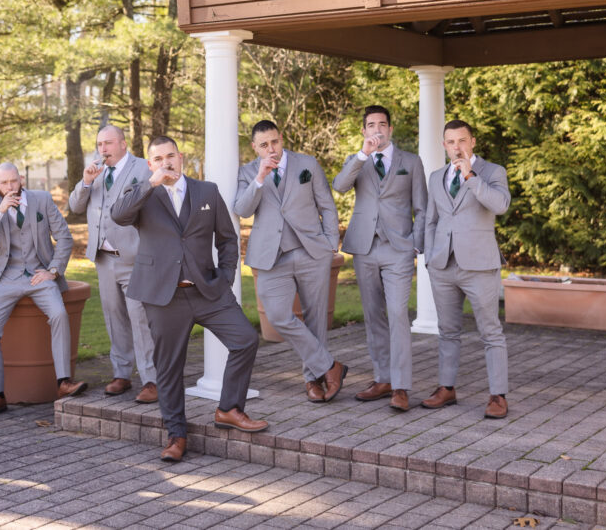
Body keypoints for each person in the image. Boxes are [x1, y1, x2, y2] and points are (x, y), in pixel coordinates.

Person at [112, 136, 267, 463]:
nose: (166, 162)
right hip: (162, 295)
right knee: (169, 368)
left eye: (171, 156)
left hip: (208, 290)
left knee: (245, 339)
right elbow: (119, 215)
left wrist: (225, 277)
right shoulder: (142, 193)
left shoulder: (206, 191)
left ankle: (229, 408)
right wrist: (151, 184)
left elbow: (227, 238)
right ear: (150, 162)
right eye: (158, 158)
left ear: (180, 157)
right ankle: (176, 435)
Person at [234, 120, 346, 404]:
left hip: (312, 252)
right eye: (263, 145)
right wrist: (260, 177)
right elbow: (242, 209)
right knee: (278, 316)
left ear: (281, 138)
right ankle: (331, 367)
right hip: (272, 257)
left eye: (274, 142)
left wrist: (330, 242)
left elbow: (326, 205)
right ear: (254, 147)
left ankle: (313, 380)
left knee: (316, 318)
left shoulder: (307, 163)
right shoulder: (248, 172)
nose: (271, 149)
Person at [332, 106, 427, 411]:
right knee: (373, 316)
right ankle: (382, 377)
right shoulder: (357, 160)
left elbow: (422, 208)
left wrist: (416, 243)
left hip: (398, 249)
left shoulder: (410, 162)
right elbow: (340, 186)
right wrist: (362, 155)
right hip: (364, 246)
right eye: (371, 125)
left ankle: (400, 386)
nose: (377, 129)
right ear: (364, 131)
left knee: (398, 314)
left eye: (382, 124)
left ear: (390, 129)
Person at [0, 163, 86, 417]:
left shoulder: (42, 199)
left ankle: (63, 383)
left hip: (39, 275)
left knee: (58, 314)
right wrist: (0, 211)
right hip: (6, 279)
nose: (10, 187)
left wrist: (53, 271)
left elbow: (65, 237)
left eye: (14, 181)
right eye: (4, 183)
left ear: (21, 178)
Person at [422, 120, 511, 419]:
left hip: (480, 265)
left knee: (490, 332)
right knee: (447, 331)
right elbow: (431, 220)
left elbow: (499, 205)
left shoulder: (493, 172)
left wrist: (470, 176)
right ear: (444, 144)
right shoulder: (436, 177)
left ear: (472, 141)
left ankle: (498, 395)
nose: (457, 147)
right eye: (451, 142)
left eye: (462, 140)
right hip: (443, 265)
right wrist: (430, 256)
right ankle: (447, 388)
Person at [68, 125, 157, 403]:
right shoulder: (94, 172)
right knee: (113, 315)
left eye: (108, 143)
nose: (102, 149)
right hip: (103, 258)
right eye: (99, 144)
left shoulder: (143, 168)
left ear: (123, 143)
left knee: (139, 317)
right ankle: (121, 373)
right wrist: (84, 182)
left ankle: (151, 379)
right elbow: (74, 206)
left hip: (135, 257)